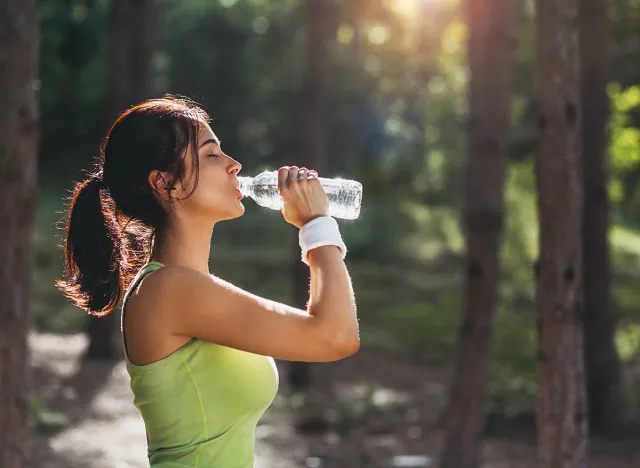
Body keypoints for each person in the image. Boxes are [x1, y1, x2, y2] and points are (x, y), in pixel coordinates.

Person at [56, 96, 360, 467]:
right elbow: (335, 336)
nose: (235, 165)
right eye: (212, 155)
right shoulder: (171, 290)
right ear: (167, 183)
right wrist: (316, 225)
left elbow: (327, 331)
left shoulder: (187, 286)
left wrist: (318, 226)